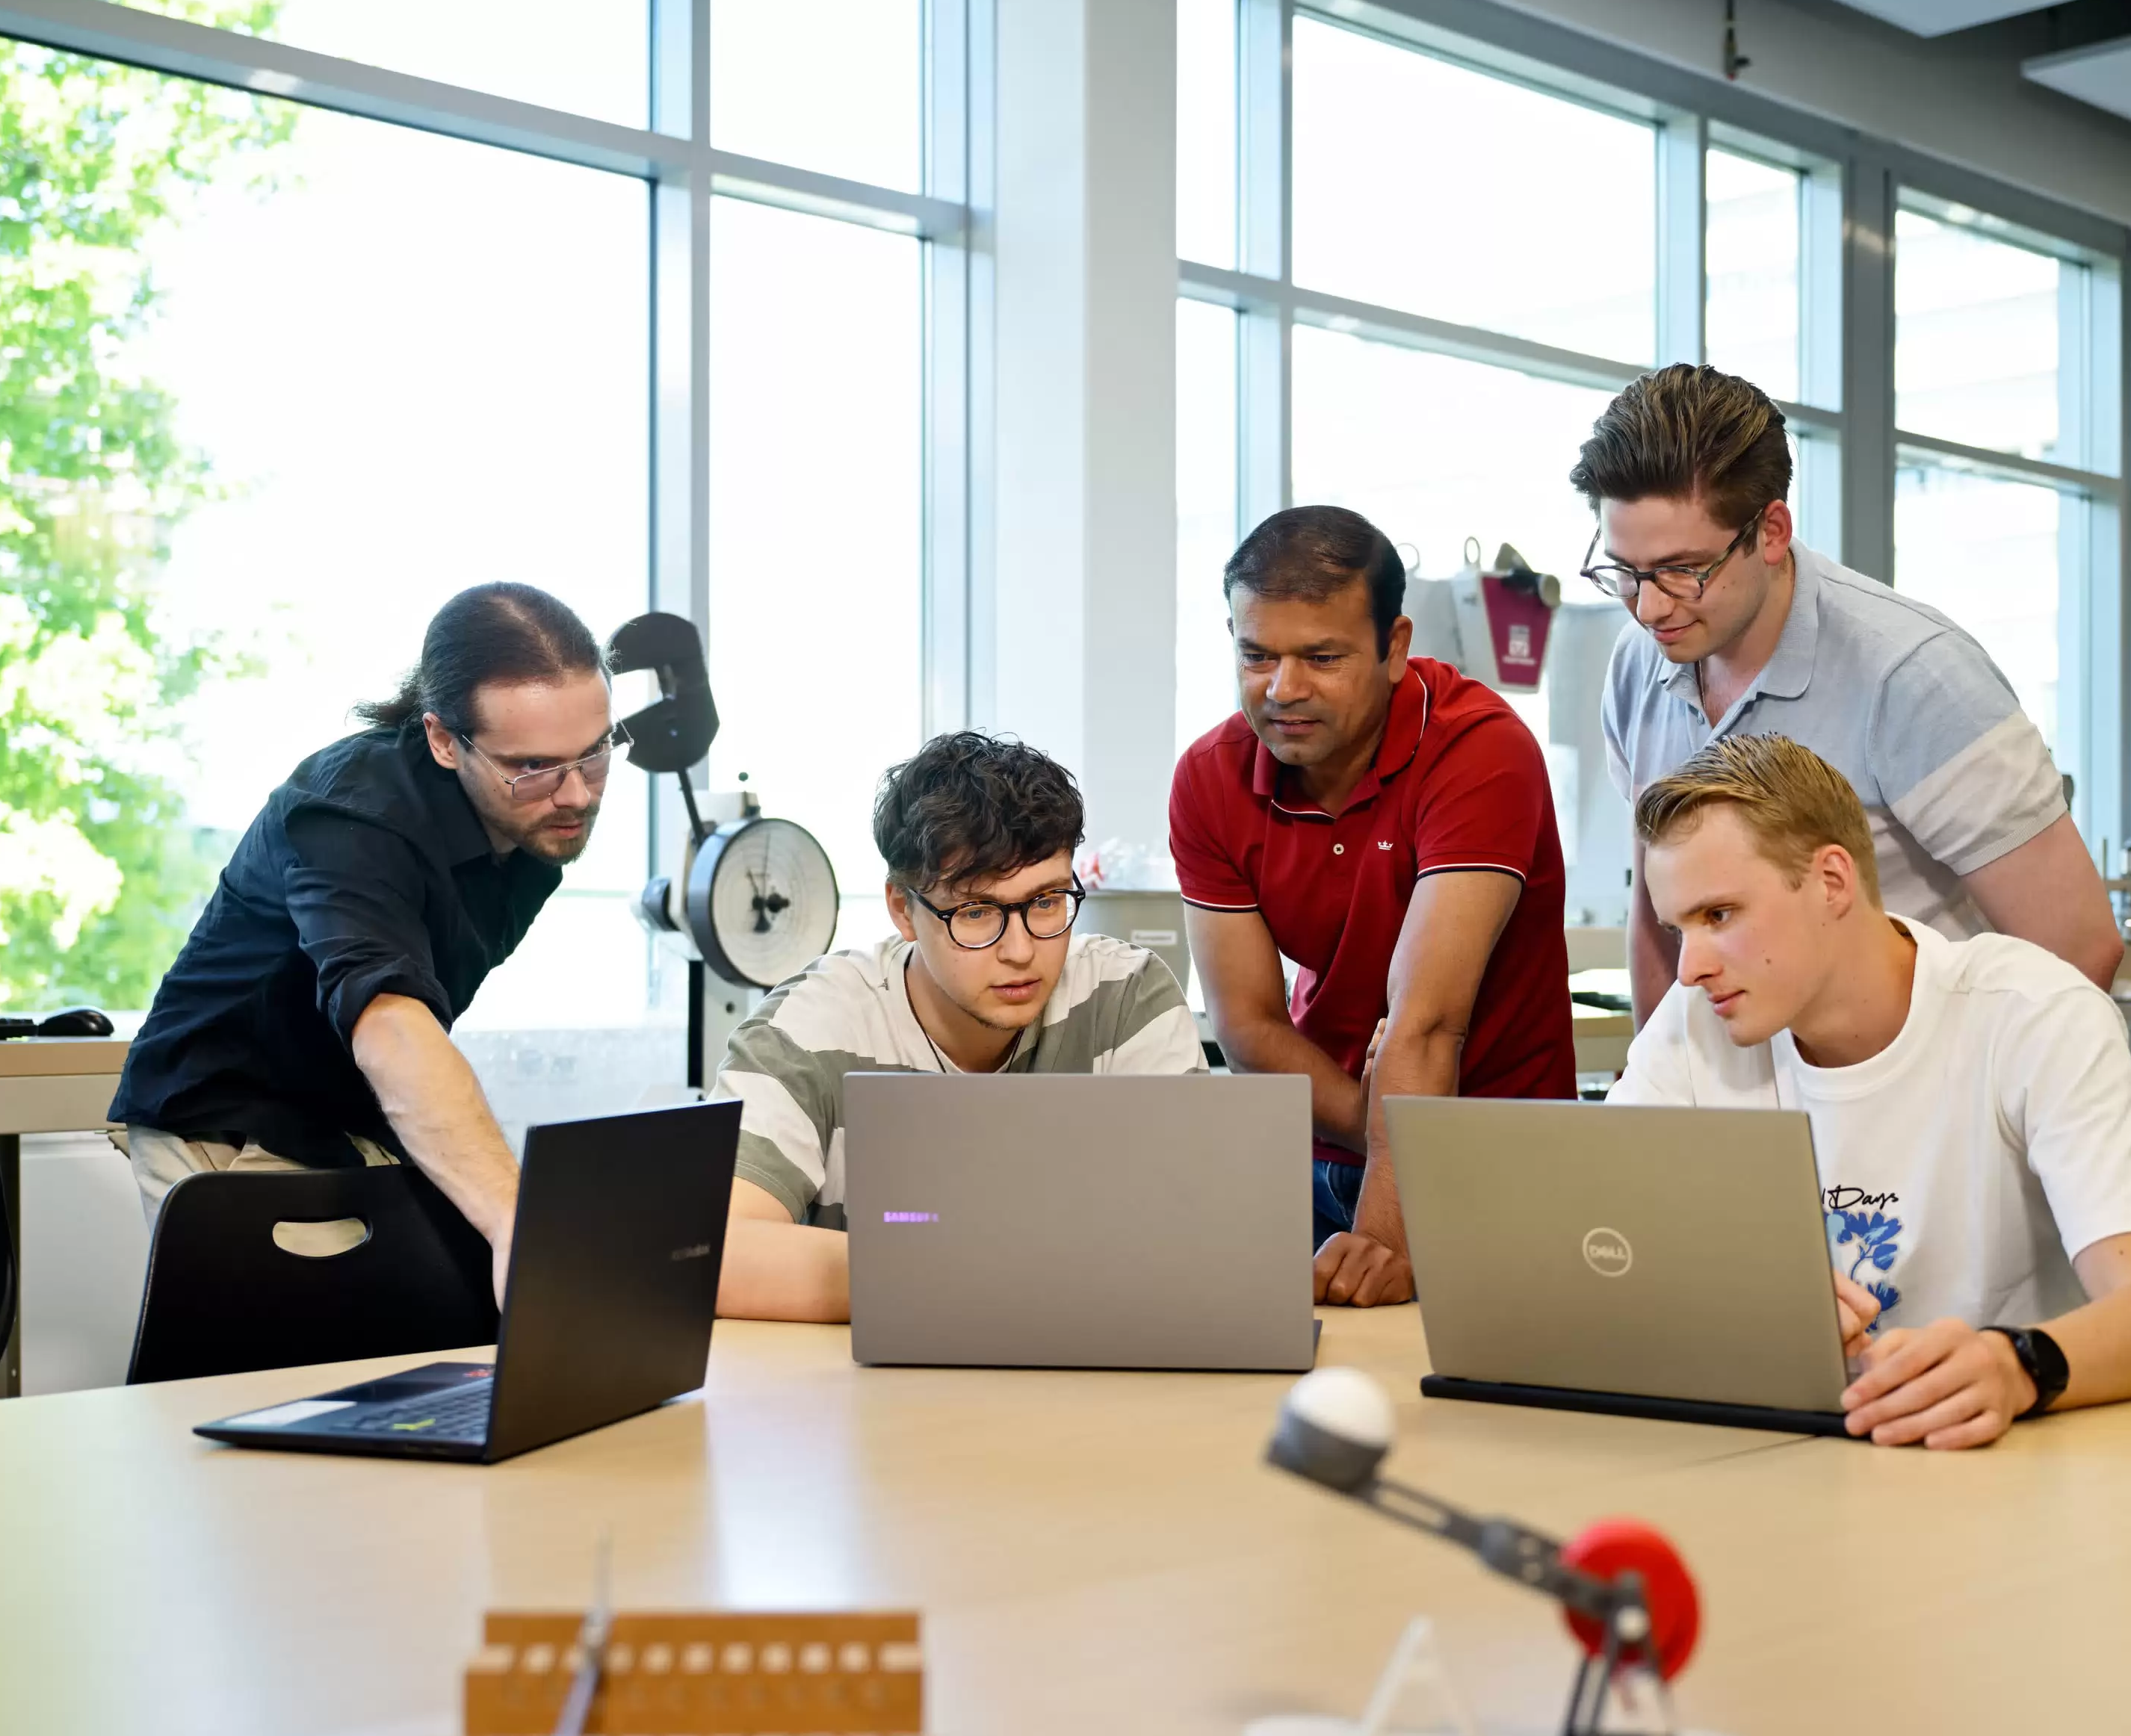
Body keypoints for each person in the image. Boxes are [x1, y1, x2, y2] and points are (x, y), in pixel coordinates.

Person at [1612, 732, 2131, 1449]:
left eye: (1719, 916)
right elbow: (1604, 1260)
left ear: (1832, 882)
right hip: (1792, 1455)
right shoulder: (1690, 1028)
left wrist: (2015, 1363)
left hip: (2007, 1464)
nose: (1688, 969)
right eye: (1678, 929)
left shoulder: (2035, 1015)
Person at [110, 583, 617, 1303]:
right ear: (445, 739)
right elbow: (389, 1021)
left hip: (349, 1112)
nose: (576, 794)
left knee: (444, 1337)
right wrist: (515, 1218)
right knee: (288, 1381)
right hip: (230, 1121)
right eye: (533, 766)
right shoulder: (354, 813)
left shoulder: (539, 817)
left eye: (593, 753)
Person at [1575, 363, 2124, 1027]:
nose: (1650, 607)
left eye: (1685, 572)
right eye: (1626, 573)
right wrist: (1663, 1103)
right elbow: (1660, 925)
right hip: (1754, 1106)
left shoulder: (1913, 675)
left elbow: (2079, 952)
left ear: (1771, 533)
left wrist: (1931, 1113)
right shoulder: (1640, 666)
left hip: (1916, 1099)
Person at [1172, 505, 1575, 1310]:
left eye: (1322, 657)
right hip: (1330, 1149)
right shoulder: (1211, 777)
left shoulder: (1480, 749)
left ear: (1394, 648)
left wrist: (1385, 1239)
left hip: (1497, 1164)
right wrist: (1376, 1129)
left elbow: (1425, 1022)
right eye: (1256, 655)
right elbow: (1248, 1025)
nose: (1283, 690)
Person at [717, 732, 1205, 1322]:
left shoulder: (1125, 997)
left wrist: (942, 1272)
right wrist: (985, 1275)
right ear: (903, 910)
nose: (1022, 951)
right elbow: (719, 1256)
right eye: (976, 913)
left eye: (1047, 902)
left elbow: (1196, 1241)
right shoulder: (810, 1026)